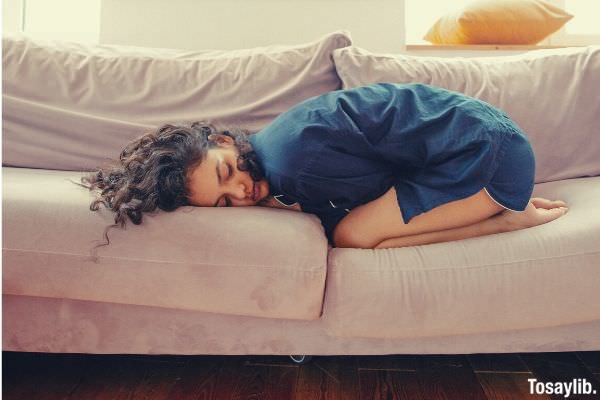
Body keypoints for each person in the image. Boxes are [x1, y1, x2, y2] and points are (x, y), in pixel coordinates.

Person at [81, 83, 568, 250]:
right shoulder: (272, 146)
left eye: (228, 173)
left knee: (352, 237)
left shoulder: (295, 164)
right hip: (483, 137)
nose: (244, 192)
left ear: (224, 141)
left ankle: (507, 218)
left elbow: (367, 203)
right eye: (225, 201)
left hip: (487, 159)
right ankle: (491, 209)